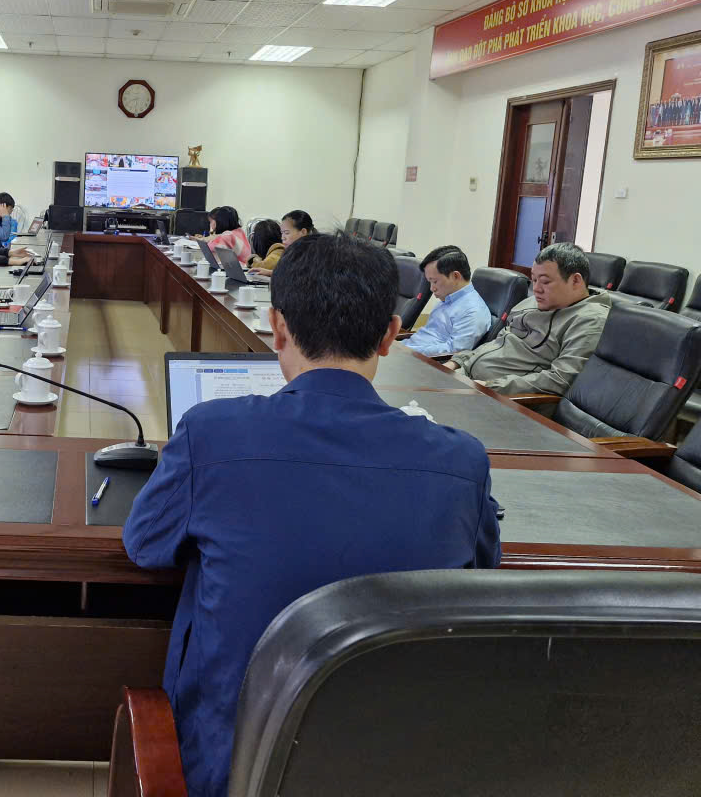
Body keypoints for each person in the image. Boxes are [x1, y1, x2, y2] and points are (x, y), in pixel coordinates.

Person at [123, 232, 499, 797]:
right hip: (397, 769)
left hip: (234, 771)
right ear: (390, 336)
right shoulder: (462, 461)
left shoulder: (211, 432)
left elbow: (145, 545)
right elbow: (482, 575)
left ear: (277, 328)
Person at [444, 242, 610, 396]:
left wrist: (490, 386)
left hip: (503, 397)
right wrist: (458, 362)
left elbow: (559, 379)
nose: (536, 289)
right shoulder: (534, 302)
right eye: (534, 280)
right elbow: (498, 343)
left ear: (575, 280)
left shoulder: (590, 320)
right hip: (470, 379)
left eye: (545, 281)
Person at [403, 245, 493, 356]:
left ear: (455, 276)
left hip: (421, 360)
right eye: (429, 282)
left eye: (435, 281)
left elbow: (454, 351)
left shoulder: (473, 311)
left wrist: (407, 351)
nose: (432, 288)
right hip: (408, 350)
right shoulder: (448, 299)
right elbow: (427, 335)